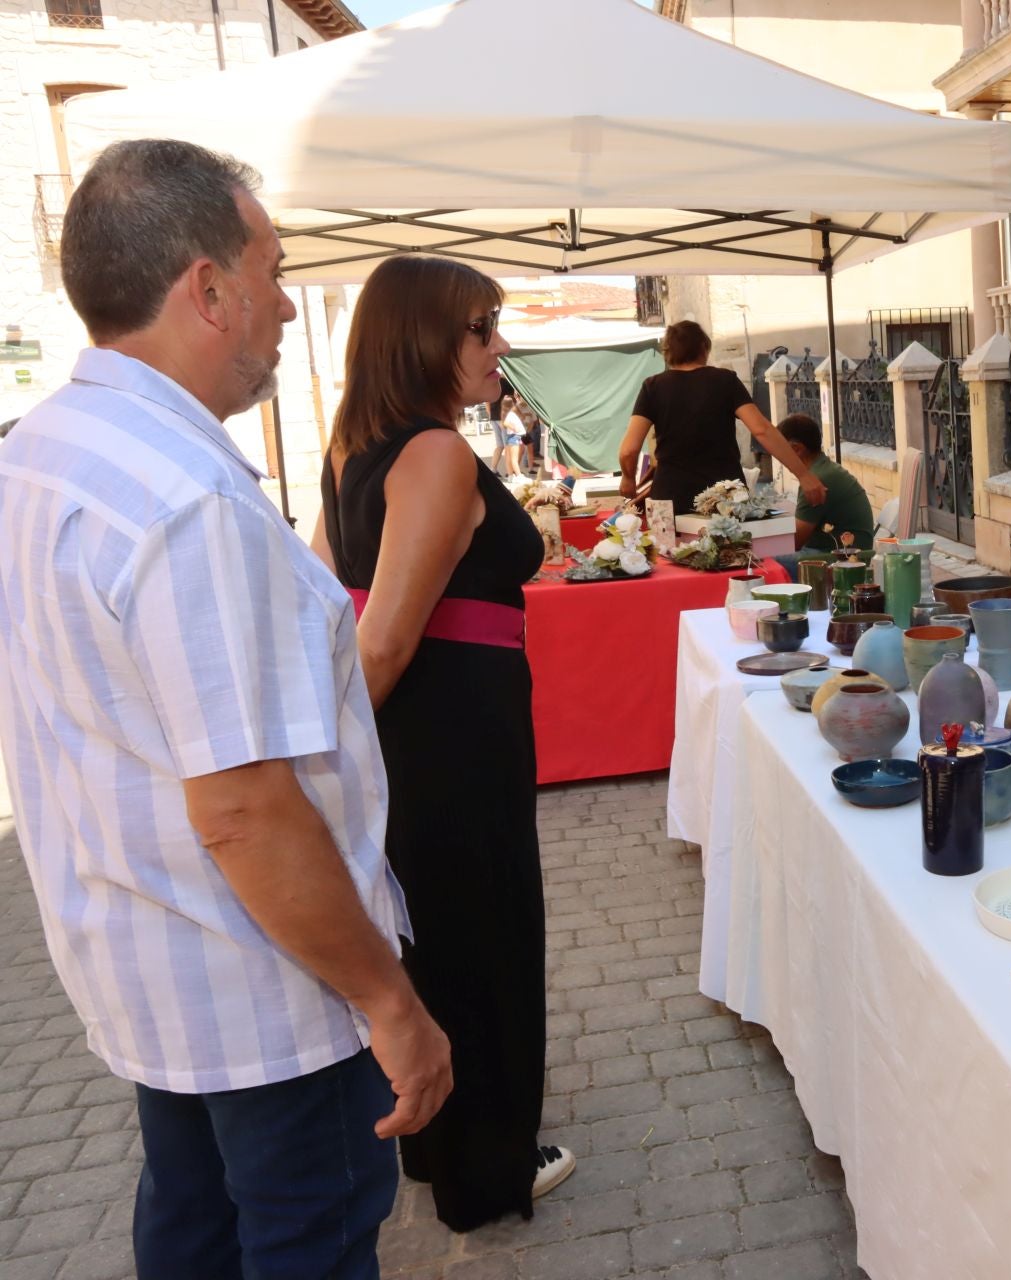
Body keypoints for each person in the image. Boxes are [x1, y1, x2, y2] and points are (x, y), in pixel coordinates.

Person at [0, 138, 451, 1278]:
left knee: (193, 1235)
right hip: (265, 1004)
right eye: (273, 268)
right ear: (208, 288)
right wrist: (389, 1001)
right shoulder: (186, 497)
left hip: (150, 973)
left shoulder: (42, 451)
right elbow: (246, 805)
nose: (290, 304)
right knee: (301, 1242)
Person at [313, 254, 570, 1230]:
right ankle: (486, 1172)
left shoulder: (353, 448)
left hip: (426, 734)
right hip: (451, 735)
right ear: (423, 334)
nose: (498, 345)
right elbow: (378, 637)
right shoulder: (435, 452)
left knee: (439, 934)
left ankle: (439, 1143)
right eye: (481, 327)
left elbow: (329, 603)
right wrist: (326, 759)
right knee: (484, 936)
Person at [619, 319, 827, 513]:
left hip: (671, 495)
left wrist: (628, 479)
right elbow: (761, 430)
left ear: (667, 352)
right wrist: (803, 475)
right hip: (724, 496)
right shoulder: (725, 381)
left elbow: (629, 450)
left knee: (669, 552)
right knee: (733, 552)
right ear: (704, 348)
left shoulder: (652, 387)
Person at [769, 412, 875, 579]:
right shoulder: (821, 469)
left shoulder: (816, 481)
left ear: (797, 449)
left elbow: (795, 542)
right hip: (842, 552)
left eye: (780, 450)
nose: (777, 456)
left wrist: (756, 546)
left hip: (841, 560)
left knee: (761, 560)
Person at [500, 390, 531, 477]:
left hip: (514, 436)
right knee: (514, 458)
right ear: (512, 404)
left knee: (511, 457)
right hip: (514, 437)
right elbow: (505, 423)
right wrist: (514, 428)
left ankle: (511, 475)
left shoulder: (509, 413)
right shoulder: (510, 414)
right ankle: (518, 475)